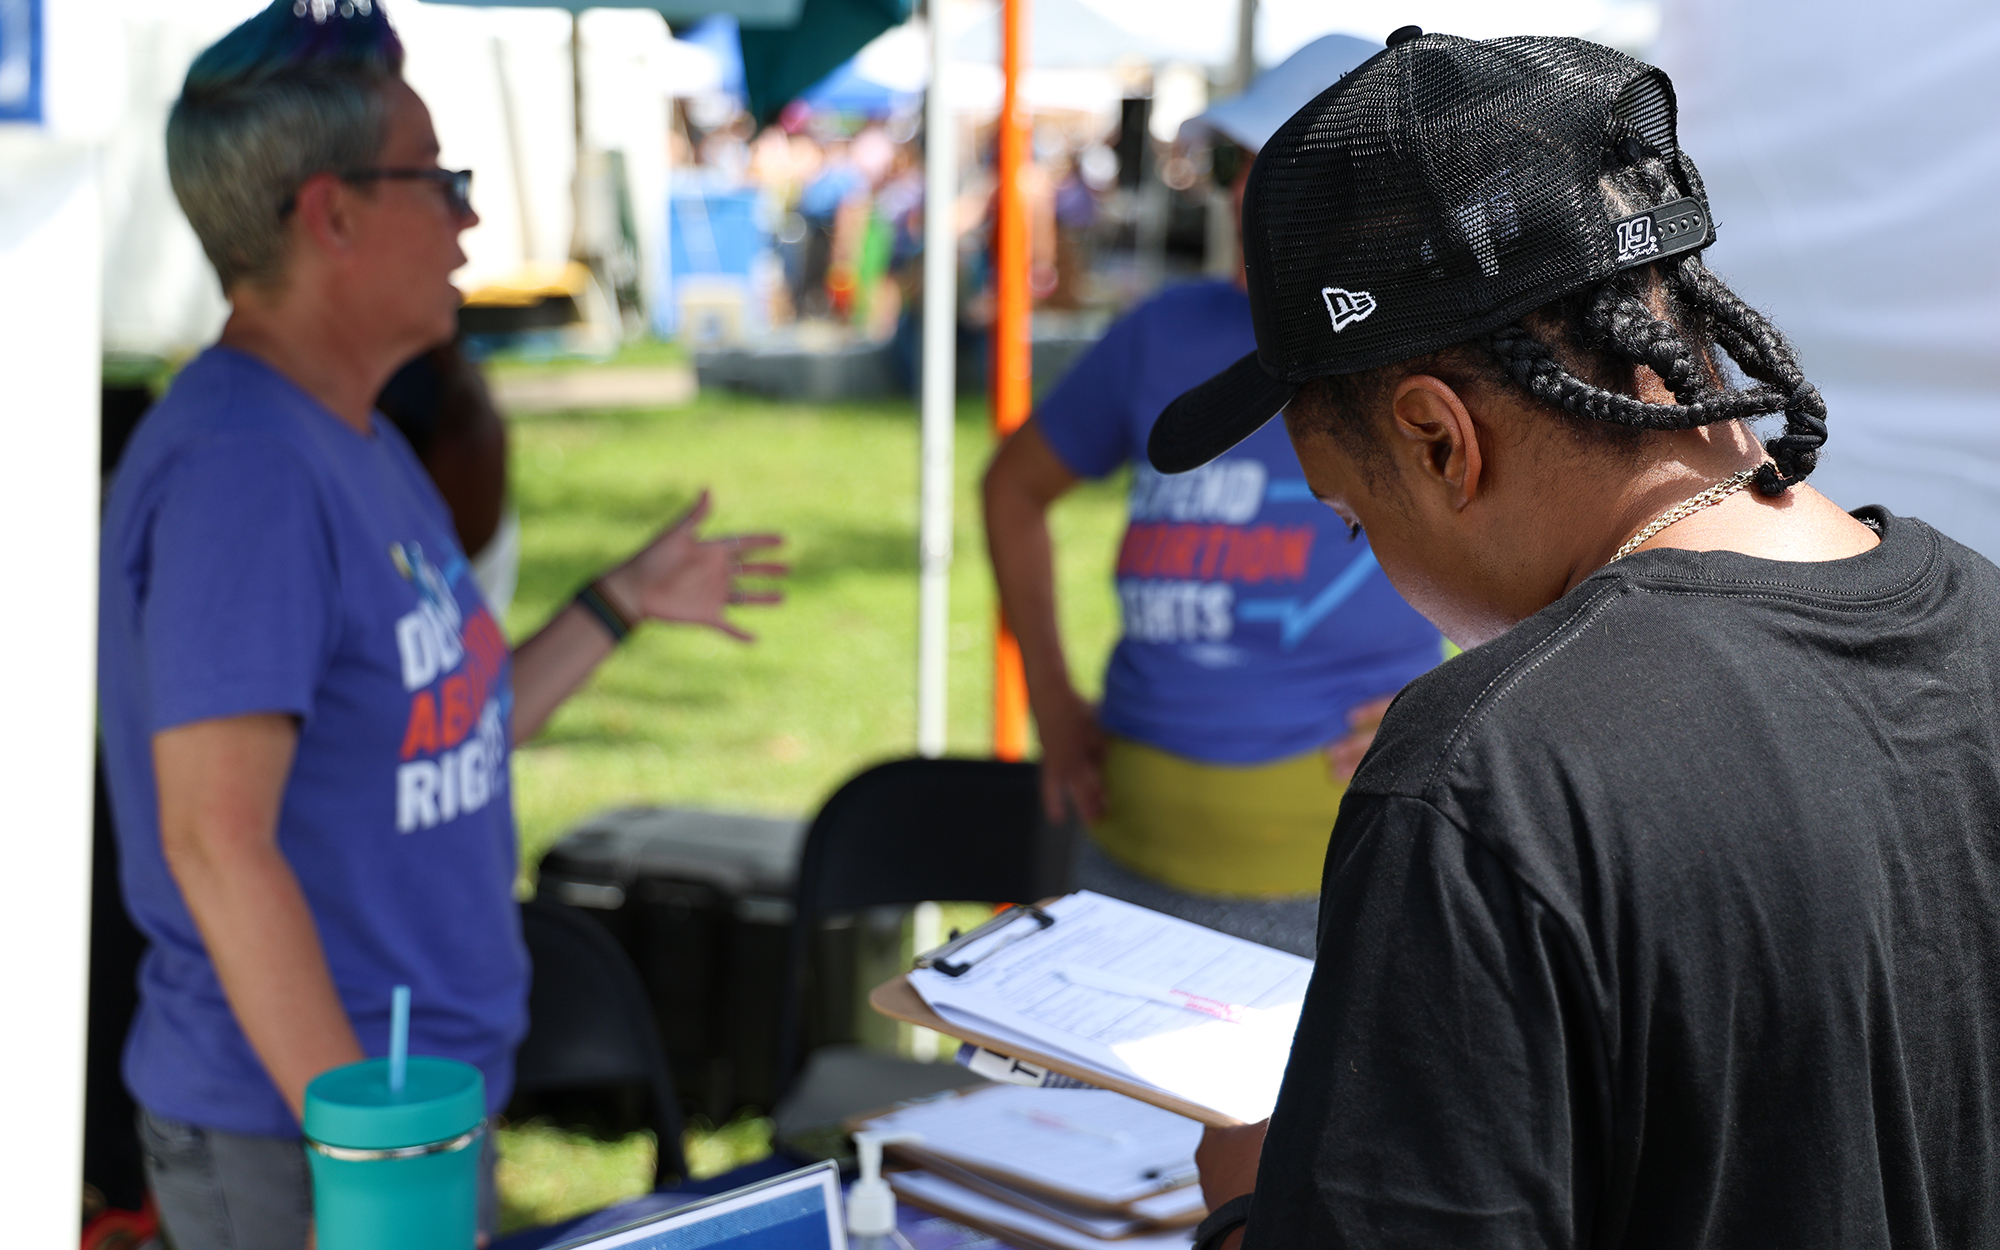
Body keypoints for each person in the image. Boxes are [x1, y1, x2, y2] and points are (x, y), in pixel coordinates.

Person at [1172, 29, 2000, 1249]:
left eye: (1350, 524)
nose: (1374, 562)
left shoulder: (1487, 778)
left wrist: (1256, 1199)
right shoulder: (1978, 614)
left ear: (1438, 439)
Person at [95, 4, 785, 1247]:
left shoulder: (347, 431)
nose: (470, 216)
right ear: (334, 213)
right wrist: (376, 1155)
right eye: (441, 179)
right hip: (310, 1133)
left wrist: (614, 603)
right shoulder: (246, 465)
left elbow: (445, 724)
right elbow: (215, 840)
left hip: (391, 1111)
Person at [983, 34, 1438, 958]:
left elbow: (1585, 564)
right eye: (1241, 165)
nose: (1244, 199)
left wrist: (1459, 708)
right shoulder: (1162, 334)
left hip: (1330, 882)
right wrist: (1050, 699)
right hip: (1119, 862)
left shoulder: (1442, 353)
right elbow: (1011, 490)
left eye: (1286, 173)